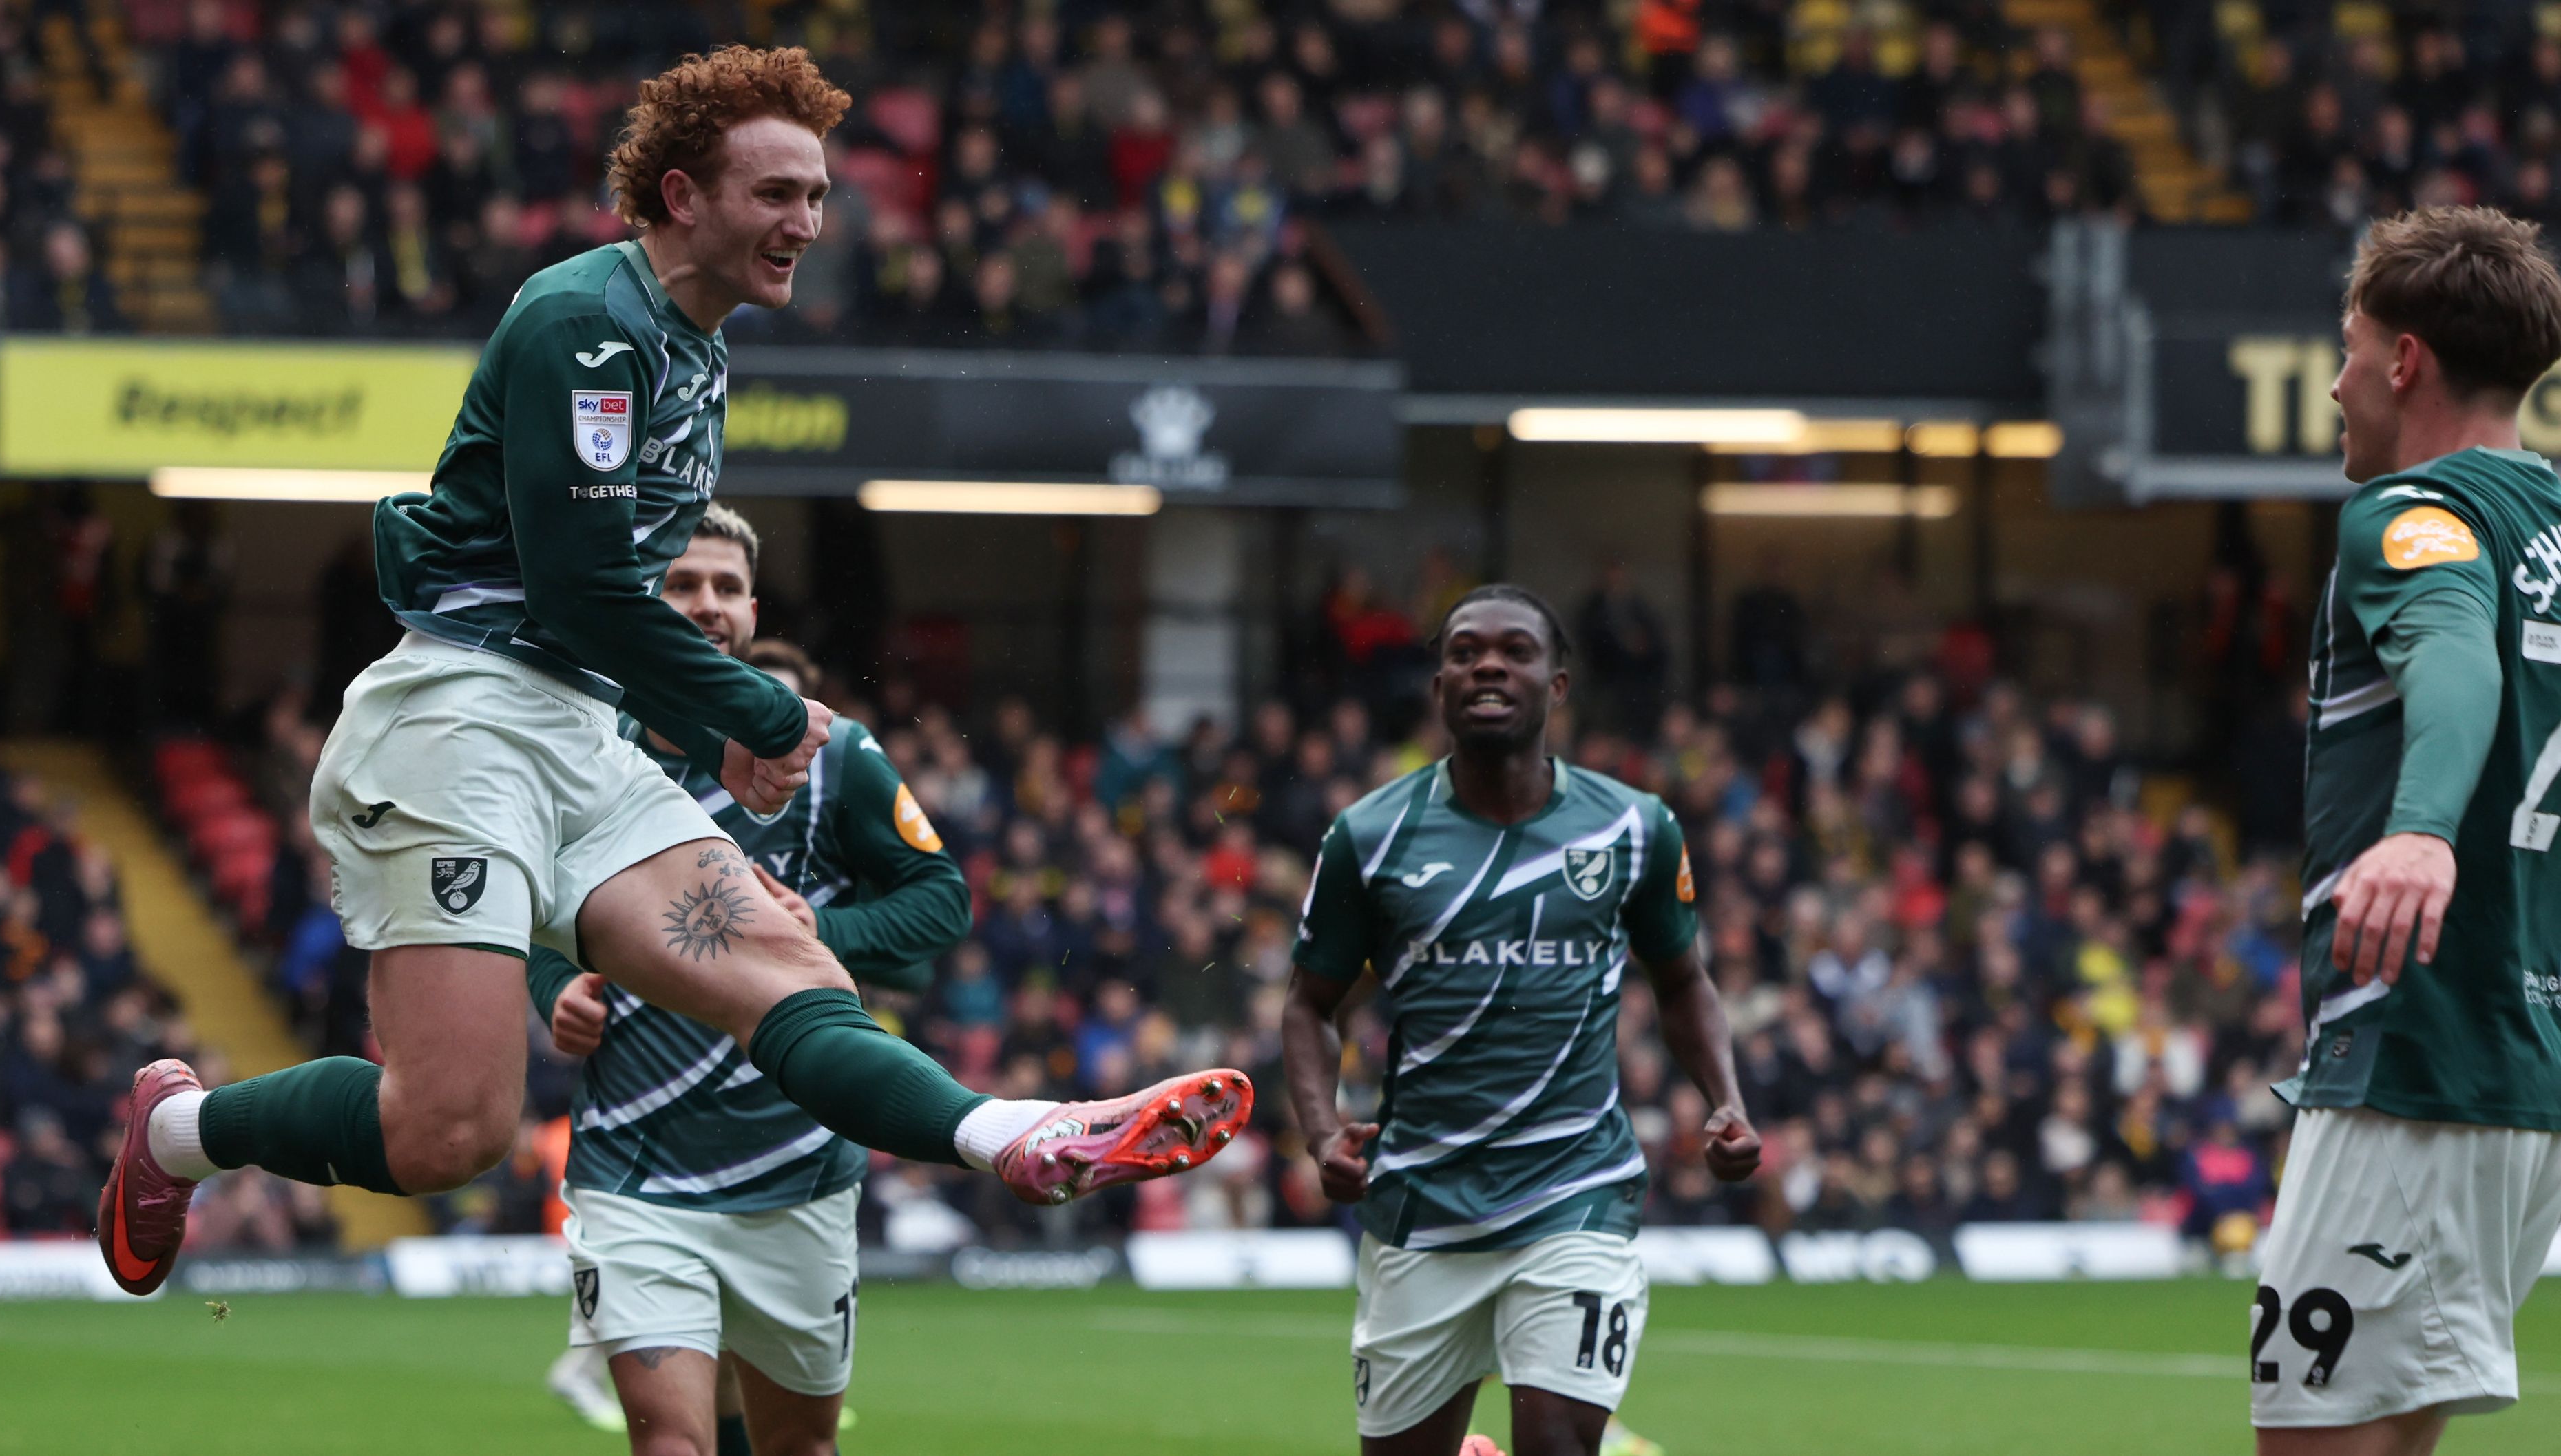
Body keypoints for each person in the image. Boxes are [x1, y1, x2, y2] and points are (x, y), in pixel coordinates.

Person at [98, 45, 1251, 1300]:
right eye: (775, 194)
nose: (806, 222)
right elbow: (583, 590)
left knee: (789, 967)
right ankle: (174, 1135)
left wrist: (706, 714)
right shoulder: (589, 324)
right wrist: (748, 705)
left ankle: (1011, 1138)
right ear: (682, 196)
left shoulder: (696, 351)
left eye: (816, 195)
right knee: (452, 1135)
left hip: (579, 729)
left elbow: (605, 620)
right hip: (458, 728)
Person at [1282, 584, 1762, 1456]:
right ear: (1438, 687)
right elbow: (1309, 1006)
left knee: (1557, 1444)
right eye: (1464, 652)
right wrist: (1321, 1133)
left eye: (1515, 650)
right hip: (1420, 1206)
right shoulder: (1369, 837)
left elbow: (1684, 979)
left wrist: (1724, 1100)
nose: (1488, 665)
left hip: (1573, 1193)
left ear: (1559, 683)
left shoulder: (1634, 828)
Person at [536, 507, 953, 1456]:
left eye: (725, 587)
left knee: (799, 1445)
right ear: (642, 595)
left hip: (797, 1165)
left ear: (752, 607)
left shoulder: (828, 752)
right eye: (682, 584)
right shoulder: (582, 750)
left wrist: (820, 928)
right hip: (635, 1164)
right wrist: (548, 981)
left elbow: (941, 899)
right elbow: (516, 908)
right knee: (672, 1444)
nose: (706, 604)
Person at [2254, 205, 2561, 1454]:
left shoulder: (2413, 513)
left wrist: (2423, 826)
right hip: (2525, 1069)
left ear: (2404, 360)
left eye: (2346, 345)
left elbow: (2452, 656)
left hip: (2419, 1060)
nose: (2332, 382)